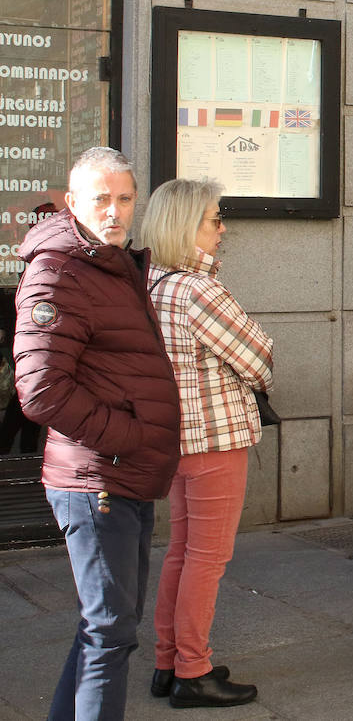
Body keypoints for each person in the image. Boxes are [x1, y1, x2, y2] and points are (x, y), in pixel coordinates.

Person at [13, 147, 181, 720]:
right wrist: (127, 436)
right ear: (72, 202)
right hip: (97, 479)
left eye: (126, 198)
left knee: (106, 628)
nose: (115, 211)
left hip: (123, 475)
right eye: (101, 199)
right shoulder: (59, 269)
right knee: (110, 632)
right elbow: (40, 390)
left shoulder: (110, 261)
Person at [144, 178, 273, 708]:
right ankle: (193, 671)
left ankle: (167, 661)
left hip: (177, 440)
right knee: (208, 559)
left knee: (181, 552)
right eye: (214, 220)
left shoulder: (152, 284)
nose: (224, 229)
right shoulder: (198, 290)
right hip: (215, 439)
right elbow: (260, 358)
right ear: (186, 227)